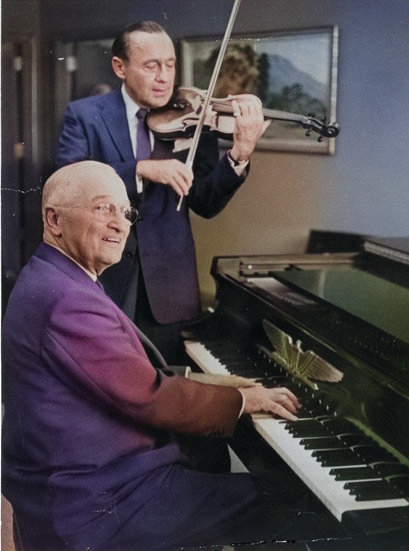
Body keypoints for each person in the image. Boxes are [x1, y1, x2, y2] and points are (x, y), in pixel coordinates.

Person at [2, 161, 307, 551]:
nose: (120, 223)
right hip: (96, 502)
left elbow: (121, 375)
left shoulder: (55, 277)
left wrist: (217, 382)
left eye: (125, 211)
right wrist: (245, 399)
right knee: (283, 501)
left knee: (217, 462)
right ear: (54, 219)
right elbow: (149, 395)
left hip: (78, 485)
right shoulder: (66, 299)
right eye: (102, 208)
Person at [55, 20, 267, 364]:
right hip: (101, 278)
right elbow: (66, 183)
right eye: (151, 66)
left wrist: (239, 155)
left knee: (162, 390)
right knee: (101, 384)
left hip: (167, 285)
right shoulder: (84, 115)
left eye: (170, 65)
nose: (164, 77)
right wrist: (141, 169)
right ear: (119, 67)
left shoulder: (193, 118)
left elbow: (205, 202)